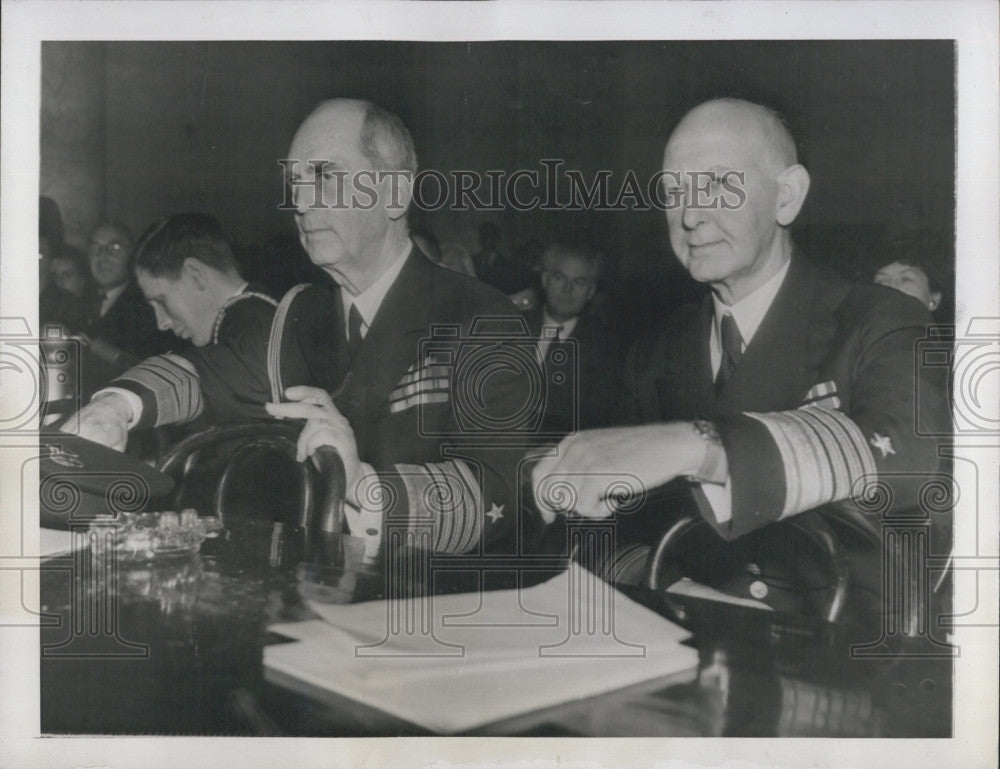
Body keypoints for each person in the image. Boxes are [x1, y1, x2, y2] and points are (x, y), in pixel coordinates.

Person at [68, 100, 537, 555]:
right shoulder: (297, 313)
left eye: (324, 175)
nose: (301, 201)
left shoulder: (481, 318)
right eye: (295, 182)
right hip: (314, 596)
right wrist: (116, 407)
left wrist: (362, 486)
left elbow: (497, 499)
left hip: (426, 607)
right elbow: (204, 377)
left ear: (395, 193)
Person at [532, 98, 950, 583]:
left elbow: (911, 459)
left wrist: (699, 447)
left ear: (786, 197)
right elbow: (614, 525)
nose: (689, 216)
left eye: (717, 184)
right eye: (672, 190)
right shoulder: (656, 352)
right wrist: (661, 584)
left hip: (836, 639)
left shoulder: (880, 318)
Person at [89, 212, 278, 434]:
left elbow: (205, 377)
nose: (162, 323)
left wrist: (118, 405)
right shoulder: (245, 316)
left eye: (161, 301)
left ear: (195, 274)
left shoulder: (257, 323)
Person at [525, 243, 621, 432]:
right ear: (545, 280)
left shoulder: (606, 346)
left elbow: (601, 421)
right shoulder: (510, 327)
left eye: (579, 282)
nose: (567, 289)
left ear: (590, 292)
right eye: (560, 278)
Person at [79, 221, 175, 388]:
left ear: (133, 253)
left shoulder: (152, 306)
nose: (102, 256)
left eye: (114, 248)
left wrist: (112, 354)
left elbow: (163, 376)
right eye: (95, 248)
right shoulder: (76, 300)